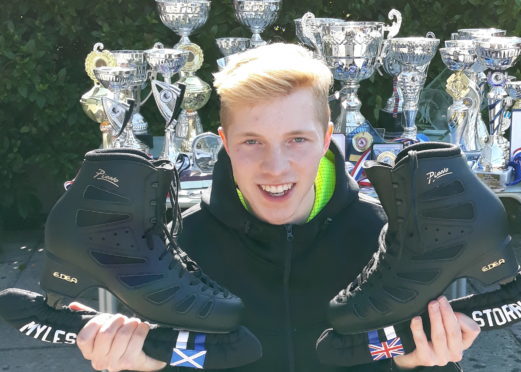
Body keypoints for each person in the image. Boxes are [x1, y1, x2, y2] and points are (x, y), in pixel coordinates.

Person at [72, 43, 480, 371]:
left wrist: (418, 364)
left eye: (297, 140)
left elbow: (407, 349)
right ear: (225, 143)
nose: (275, 166)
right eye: (252, 142)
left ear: (326, 140)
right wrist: (139, 365)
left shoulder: (387, 240)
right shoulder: (176, 247)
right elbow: (173, 353)